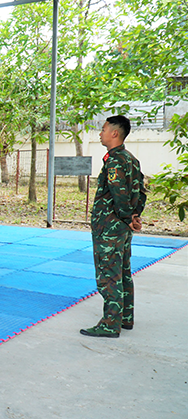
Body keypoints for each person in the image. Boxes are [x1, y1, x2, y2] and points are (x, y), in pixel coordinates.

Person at [80, 115, 146, 338]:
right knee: (123, 271)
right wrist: (135, 216)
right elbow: (141, 190)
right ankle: (125, 317)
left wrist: (128, 217)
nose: (101, 133)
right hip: (122, 228)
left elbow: (119, 194)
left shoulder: (116, 161)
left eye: (104, 129)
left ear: (114, 133)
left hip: (109, 227)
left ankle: (110, 324)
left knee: (109, 275)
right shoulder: (130, 159)